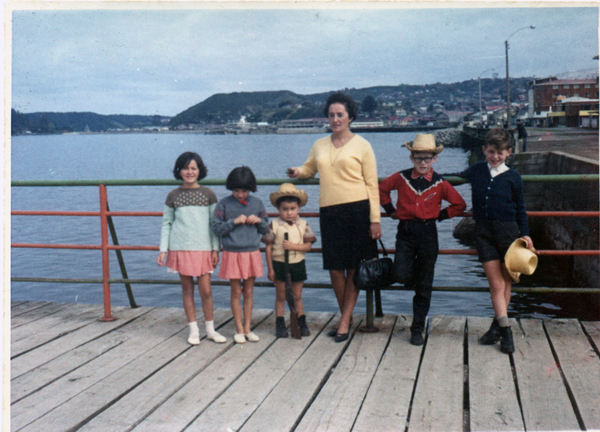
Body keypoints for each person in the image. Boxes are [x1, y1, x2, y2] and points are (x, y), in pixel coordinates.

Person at [287, 92, 381, 343]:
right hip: (330, 212)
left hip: (358, 210)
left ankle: (343, 322)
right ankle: (346, 317)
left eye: (340, 114)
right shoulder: (319, 144)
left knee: (353, 268)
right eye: (331, 114)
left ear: (350, 116)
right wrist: (298, 171)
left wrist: (375, 220)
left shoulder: (363, 145)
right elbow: (310, 169)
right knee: (334, 269)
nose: (335, 119)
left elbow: (372, 185)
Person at [449, 127, 534, 354]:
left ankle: (497, 328)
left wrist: (525, 234)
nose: (495, 157)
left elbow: (521, 209)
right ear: (484, 150)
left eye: (500, 152)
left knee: (506, 283)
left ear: (509, 152)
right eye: (491, 152)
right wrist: (427, 174)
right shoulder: (477, 170)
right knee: (496, 284)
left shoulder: (514, 177)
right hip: (483, 232)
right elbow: (454, 179)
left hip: (508, 233)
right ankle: (507, 333)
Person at [379, 134, 466, 346]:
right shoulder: (401, 178)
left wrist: (440, 216)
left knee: (425, 286)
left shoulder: (440, 183)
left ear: (434, 159)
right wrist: (390, 210)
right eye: (418, 158)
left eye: (427, 158)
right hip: (406, 232)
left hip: (428, 233)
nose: (423, 163)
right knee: (400, 273)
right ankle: (413, 277)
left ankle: (417, 327)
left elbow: (459, 204)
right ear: (411, 158)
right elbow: (381, 189)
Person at [157, 151, 226, 346]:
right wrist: (164, 249)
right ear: (179, 171)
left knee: (206, 290)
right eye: (185, 168)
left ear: (200, 171)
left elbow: (214, 225)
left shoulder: (208, 194)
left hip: (203, 248)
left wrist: (215, 249)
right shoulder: (173, 195)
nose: (189, 172)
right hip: (179, 248)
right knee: (187, 289)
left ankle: (211, 330)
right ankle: (193, 330)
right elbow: (167, 223)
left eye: (193, 168)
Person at [212, 166, 270, 344]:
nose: (240, 194)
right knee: (236, 291)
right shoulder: (223, 204)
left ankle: (247, 328)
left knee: (249, 291)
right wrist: (233, 222)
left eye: (244, 190)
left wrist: (259, 220)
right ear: (231, 188)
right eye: (236, 190)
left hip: (251, 252)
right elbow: (217, 228)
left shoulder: (257, 203)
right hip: (232, 252)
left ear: (250, 189)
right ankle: (238, 329)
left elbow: (266, 227)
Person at [263, 183, 317, 338]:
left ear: (298, 207)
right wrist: (270, 268)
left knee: (297, 295)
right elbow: (268, 247)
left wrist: (293, 246)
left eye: (292, 209)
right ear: (279, 209)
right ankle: (280, 324)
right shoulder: (273, 225)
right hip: (279, 264)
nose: (289, 213)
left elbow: (308, 246)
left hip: (297, 264)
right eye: (285, 209)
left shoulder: (303, 225)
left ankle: (301, 322)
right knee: (281, 296)